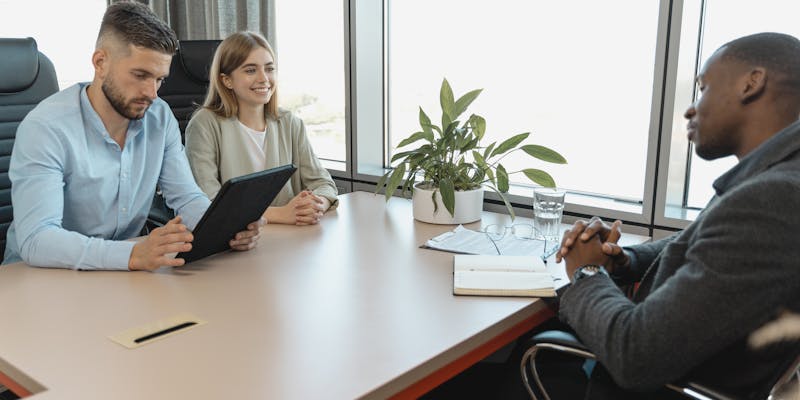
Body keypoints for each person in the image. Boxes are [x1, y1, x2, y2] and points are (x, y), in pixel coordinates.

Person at [552, 32, 800, 397]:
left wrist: (586, 273)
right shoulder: (777, 178)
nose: (690, 109)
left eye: (704, 88)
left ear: (752, 83)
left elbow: (635, 355)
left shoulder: (772, 198)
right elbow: (707, 243)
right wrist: (624, 259)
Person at [3, 2, 263, 271]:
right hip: (38, 276)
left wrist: (225, 230)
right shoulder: (46, 128)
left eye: (160, 79)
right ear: (100, 62)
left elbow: (186, 198)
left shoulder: (159, 117)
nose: (152, 93)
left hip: (119, 271)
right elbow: (37, 240)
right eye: (141, 75)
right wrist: (132, 255)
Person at [184, 31, 338, 226]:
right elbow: (208, 202)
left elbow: (323, 183)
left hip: (289, 238)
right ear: (226, 80)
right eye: (250, 70)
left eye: (269, 68)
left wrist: (317, 205)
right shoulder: (205, 124)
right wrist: (281, 214)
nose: (264, 78)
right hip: (236, 241)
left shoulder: (290, 123)